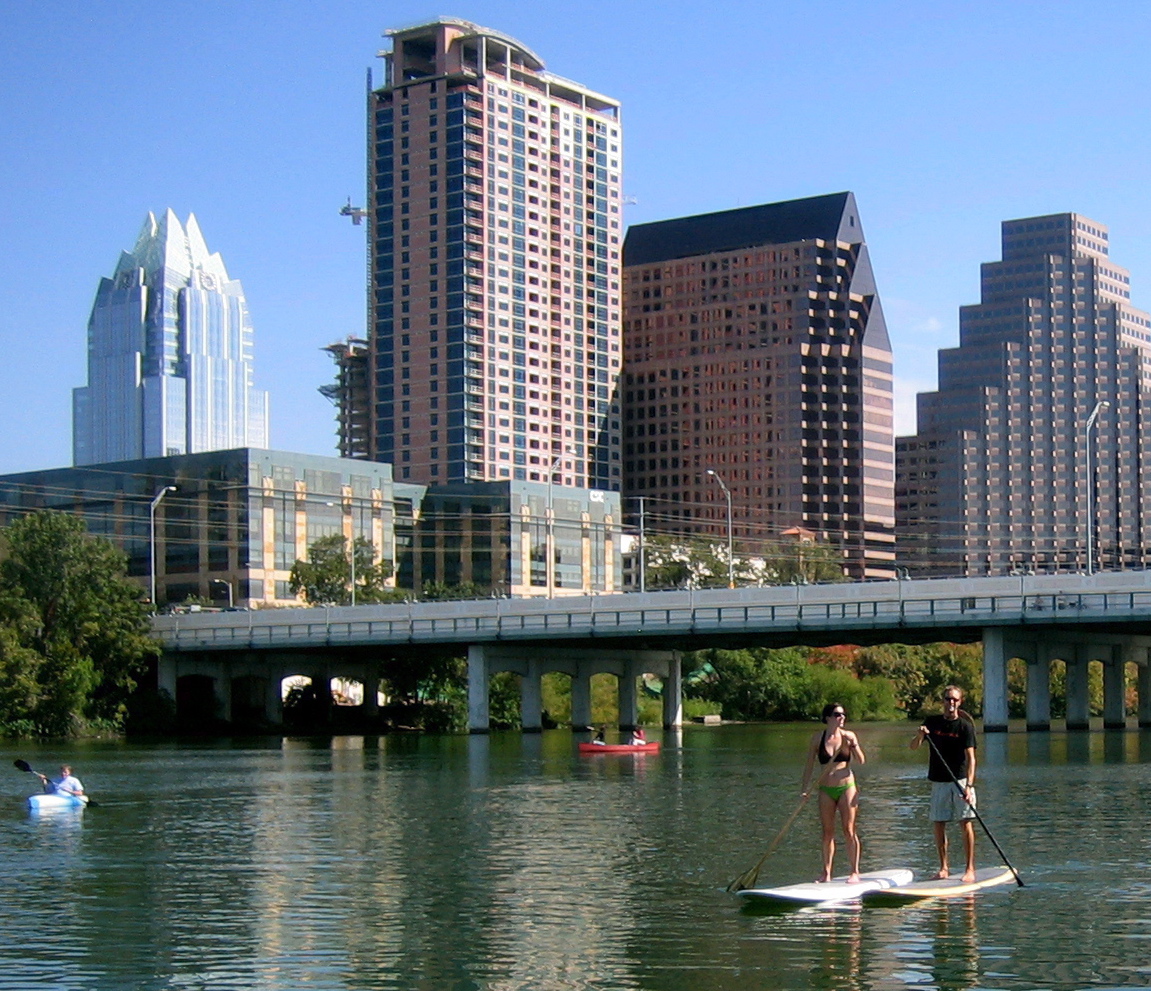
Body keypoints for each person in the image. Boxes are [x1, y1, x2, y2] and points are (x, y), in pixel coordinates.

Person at [911, 685, 977, 882]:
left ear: (960, 702)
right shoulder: (932, 722)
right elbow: (913, 747)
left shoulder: (965, 727)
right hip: (939, 781)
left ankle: (970, 868)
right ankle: (943, 868)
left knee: (965, 823)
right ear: (943, 701)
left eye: (955, 699)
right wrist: (920, 735)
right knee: (939, 824)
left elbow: (971, 759)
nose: (951, 703)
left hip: (960, 780)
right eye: (948, 699)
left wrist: (969, 786)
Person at [801, 703, 865, 883]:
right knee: (827, 832)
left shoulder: (849, 736)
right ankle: (826, 873)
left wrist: (854, 746)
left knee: (849, 829)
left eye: (843, 714)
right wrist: (804, 790)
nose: (841, 717)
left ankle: (854, 872)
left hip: (846, 787)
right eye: (837, 714)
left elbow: (861, 760)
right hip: (826, 790)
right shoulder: (817, 738)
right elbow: (809, 766)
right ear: (828, 718)